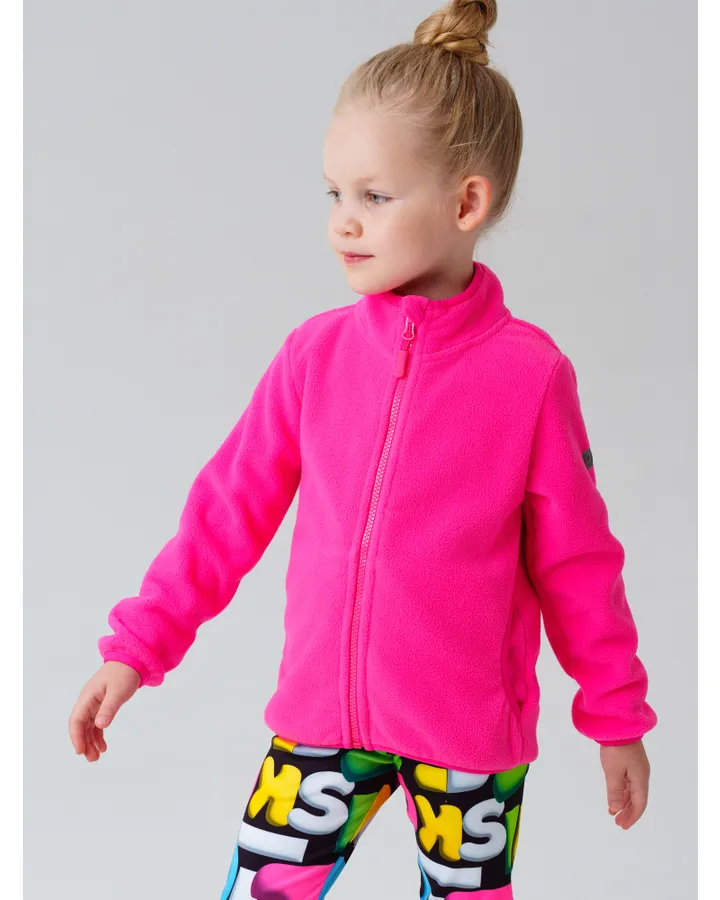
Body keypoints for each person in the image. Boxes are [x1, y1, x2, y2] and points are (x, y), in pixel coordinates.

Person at [68, 2, 657, 897]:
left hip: (468, 742)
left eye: (375, 197)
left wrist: (617, 719)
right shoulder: (315, 357)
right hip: (320, 727)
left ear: (466, 202)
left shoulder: (531, 377)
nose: (344, 222)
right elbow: (226, 514)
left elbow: (579, 564)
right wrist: (136, 647)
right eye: (334, 194)